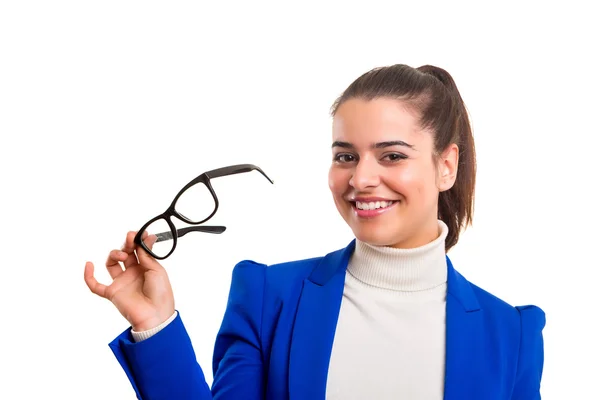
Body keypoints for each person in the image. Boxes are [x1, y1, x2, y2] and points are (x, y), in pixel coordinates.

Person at [84, 64, 545, 399]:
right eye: (345, 156)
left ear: (446, 166)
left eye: (392, 156)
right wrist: (155, 324)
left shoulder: (511, 334)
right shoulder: (269, 297)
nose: (361, 178)